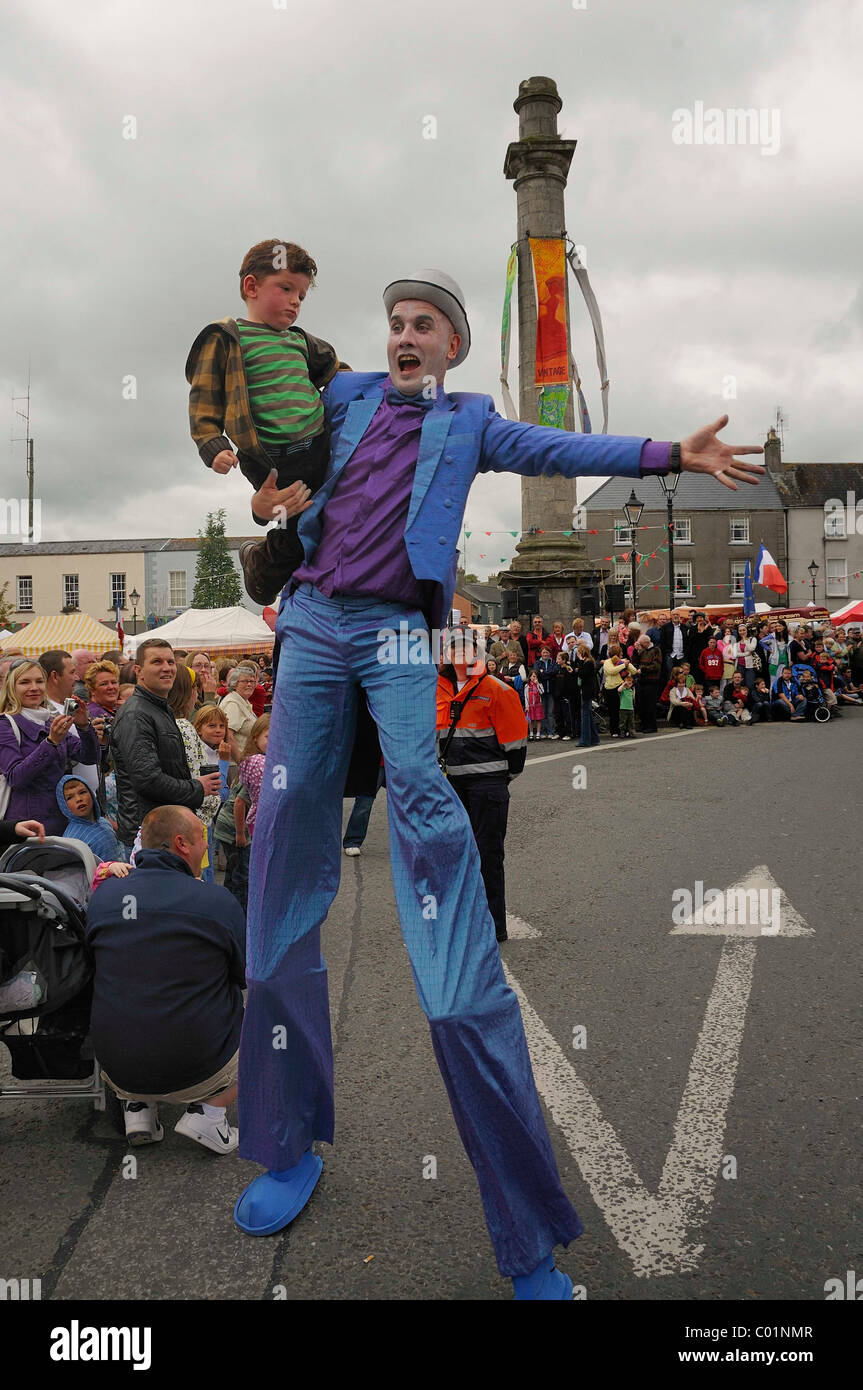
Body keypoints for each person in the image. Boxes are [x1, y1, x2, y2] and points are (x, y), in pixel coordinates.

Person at [233, 265, 764, 1297]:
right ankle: (287, 1139)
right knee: (284, 843)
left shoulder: (472, 422)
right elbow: (250, 386)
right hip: (308, 620)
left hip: (390, 630)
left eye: (423, 323)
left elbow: (559, 447)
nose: (403, 332)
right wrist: (242, 428)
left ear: (452, 347)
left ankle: (523, 1235)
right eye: (393, 320)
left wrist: (665, 454)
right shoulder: (339, 394)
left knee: (427, 816)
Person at [186, 238, 341, 606]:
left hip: (317, 445)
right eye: (285, 288)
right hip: (270, 458)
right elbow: (203, 399)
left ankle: (325, 588)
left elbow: (338, 375)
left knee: (331, 518)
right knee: (295, 529)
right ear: (251, 287)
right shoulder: (226, 338)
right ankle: (260, 568)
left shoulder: (302, 342)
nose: (294, 301)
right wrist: (213, 445)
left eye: (301, 295)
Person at [86, 805, 245, 1152]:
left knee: (127, 984)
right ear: (181, 844)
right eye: (202, 838)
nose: (206, 846)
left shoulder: (104, 897)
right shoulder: (216, 901)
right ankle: (210, 1114)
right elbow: (244, 974)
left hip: (118, 1068)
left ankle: (138, 1108)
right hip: (198, 1067)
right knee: (264, 1011)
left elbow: (92, 969)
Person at [436, 629, 527, 944]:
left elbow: (516, 747)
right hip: (449, 787)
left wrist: (499, 778)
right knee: (453, 855)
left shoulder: (497, 690)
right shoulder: (434, 690)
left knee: (488, 855)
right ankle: (461, 922)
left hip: (487, 786)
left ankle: (493, 925)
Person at [110, 639, 221, 858]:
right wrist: (197, 788)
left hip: (165, 830)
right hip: (148, 836)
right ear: (139, 671)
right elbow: (147, 780)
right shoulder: (136, 715)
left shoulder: (160, 708)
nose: (167, 668)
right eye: (157, 661)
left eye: (171, 662)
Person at [0, 660, 102, 836]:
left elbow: (89, 757)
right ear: (11, 687)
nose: (34, 688)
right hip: (26, 826)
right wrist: (51, 742)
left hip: (61, 821)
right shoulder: (5, 724)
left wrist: (84, 726)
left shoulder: (48, 721)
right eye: (25, 682)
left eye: (39, 681)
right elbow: (15, 777)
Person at [167, 665, 223, 882]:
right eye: (194, 688)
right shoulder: (183, 727)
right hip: (193, 821)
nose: (196, 694)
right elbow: (196, 779)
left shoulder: (168, 723)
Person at [56, 775, 123, 861]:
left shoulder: (104, 822)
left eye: (82, 792)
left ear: (91, 794)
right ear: (64, 805)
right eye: (70, 797)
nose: (79, 799)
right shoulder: (72, 840)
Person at [220, 667, 258, 763]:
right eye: (245, 681)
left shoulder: (242, 701)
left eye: (252, 681)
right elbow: (228, 736)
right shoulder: (233, 704)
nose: (249, 684)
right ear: (234, 683)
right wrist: (241, 763)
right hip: (235, 764)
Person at [602, 644, 637, 738]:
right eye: (620, 652)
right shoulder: (607, 662)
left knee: (622, 711)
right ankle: (614, 730)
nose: (622, 653)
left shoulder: (623, 661)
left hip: (621, 688)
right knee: (612, 711)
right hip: (610, 689)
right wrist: (622, 666)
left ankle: (625, 730)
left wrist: (627, 664)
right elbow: (611, 671)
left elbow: (634, 671)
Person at [633, 633, 662, 733]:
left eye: (641, 644)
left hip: (652, 680)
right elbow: (635, 661)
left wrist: (643, 669)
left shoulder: (656, 650)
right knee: (641, 703)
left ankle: (651, 726)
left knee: (650, 704)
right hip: (642, 680)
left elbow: (656, 666)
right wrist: (636, 650)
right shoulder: (642, 650)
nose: (640, 646)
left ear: (646, 642)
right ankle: (643, 724)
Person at [576, 644, 600, 747]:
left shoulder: (588, 662)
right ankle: (594, 738)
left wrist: (580, 661)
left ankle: (585, 740)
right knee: (588, 714)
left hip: (587, 691)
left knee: (585, 715)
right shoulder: (589, 662)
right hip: (587, 690)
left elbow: (582, 674)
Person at [526, 669, 545, 739]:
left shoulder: (539, 684)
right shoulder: (527, 686)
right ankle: (531, 733)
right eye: (533, 676)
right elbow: (526, 697)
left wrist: (537, 684)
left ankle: (538, 733)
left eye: (535, 676)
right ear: (530, 677)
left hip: (538, 704)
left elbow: (542, 692)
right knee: (530, 720)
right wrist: (527, 706)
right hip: (530, 705)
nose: (534, 678)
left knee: (538, 719)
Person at [618, 673, 636, 738]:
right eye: (628, 683)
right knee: (623, 721)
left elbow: (633, 698)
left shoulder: (631, 690)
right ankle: (622, 732)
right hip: (623, 708)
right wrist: (623, 684)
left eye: (630, 683)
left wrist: (634, 690)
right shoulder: (623, 690)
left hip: (631, 708)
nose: (629, 684)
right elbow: (618, 690)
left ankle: (631, 732)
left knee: (631, 722)